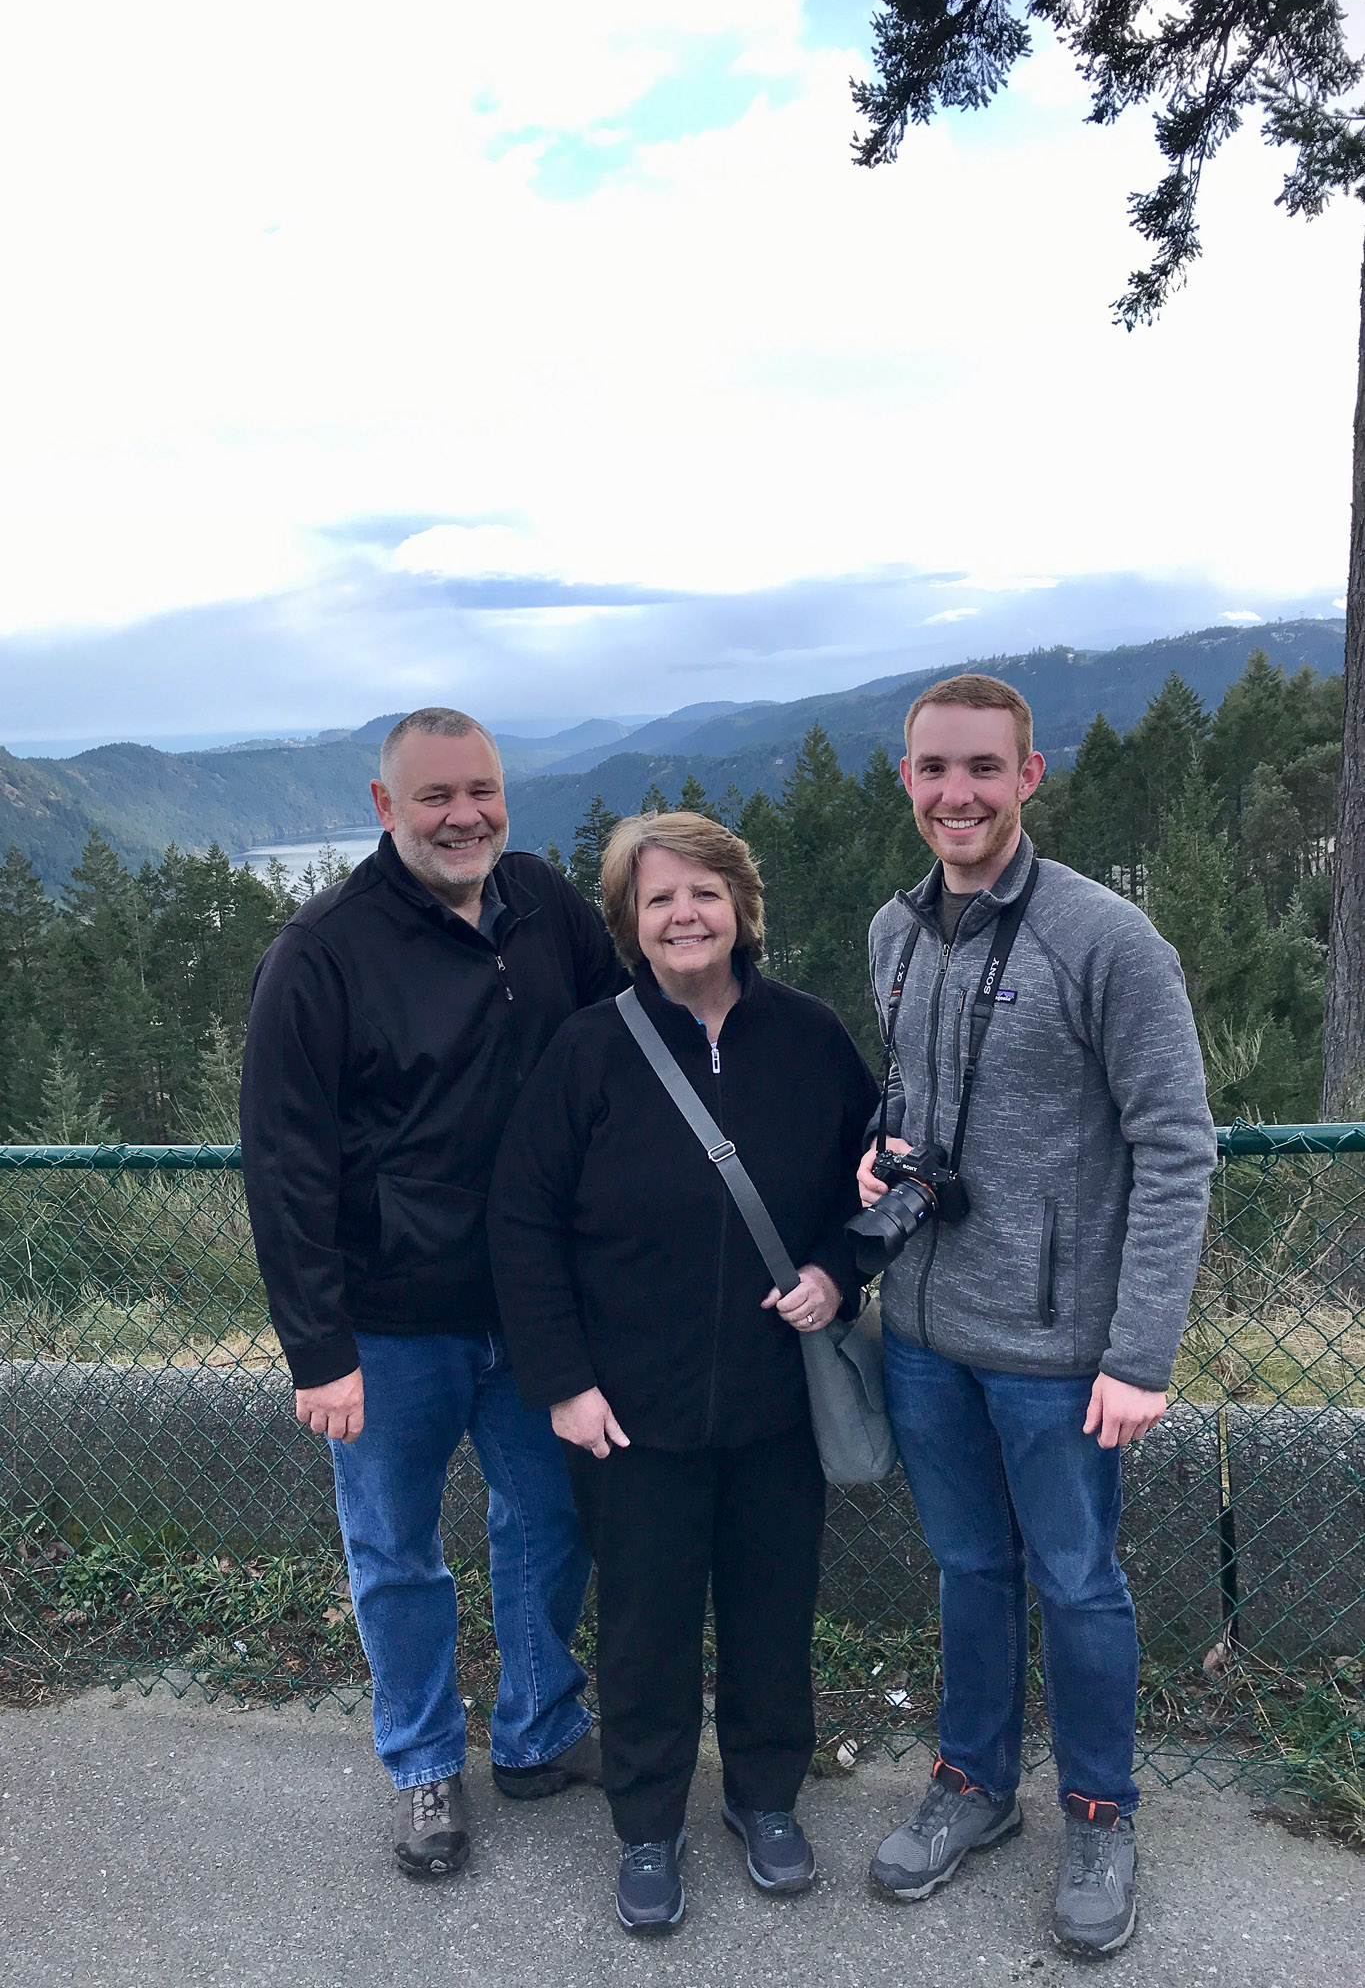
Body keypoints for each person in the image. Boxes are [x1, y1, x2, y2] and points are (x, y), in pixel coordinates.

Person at [858, 674, 1216, 1960]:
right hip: (925, 1333)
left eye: (981, 768)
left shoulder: (1106, 938)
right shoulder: (895, 933)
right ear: (906, 776)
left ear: (1029, 775)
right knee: (968, 1570)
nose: (956, 793)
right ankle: (974, 1782)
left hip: (1060, 1355)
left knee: (1077, 1581)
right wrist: (879, 1156)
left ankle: (1101, 1812)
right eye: (933, 768)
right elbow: (910, 1099)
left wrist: (1140, 1351)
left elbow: (1177, 1146)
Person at [239, 707, 623, 1881]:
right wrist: (318, 1348)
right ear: (384, 805)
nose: (465, 816)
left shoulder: (543, 903)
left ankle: (538, 1727)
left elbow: (629, 1038)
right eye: (437, 795)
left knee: (550, 1519)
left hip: (535, 1306)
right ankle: (422, 1762)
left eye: (482, 790)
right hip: (389, 1322)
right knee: (396, 1551)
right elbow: (285, 1163)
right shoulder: (321, 952)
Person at [487, 812, 878, 1936]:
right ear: (629, 921)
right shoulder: (587, 1052)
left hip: (775, 1405)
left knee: (772, 1615)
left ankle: (765, 1799)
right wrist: (563, 1381)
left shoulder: (811, 1038)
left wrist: (836, 1274)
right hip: (629, 1413)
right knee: (643, 1629)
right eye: (658, 898)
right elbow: (522, 1222)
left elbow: (874, 1185)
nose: (684, 915)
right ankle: (648, 1824)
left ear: (742, 906)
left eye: (703, 892)